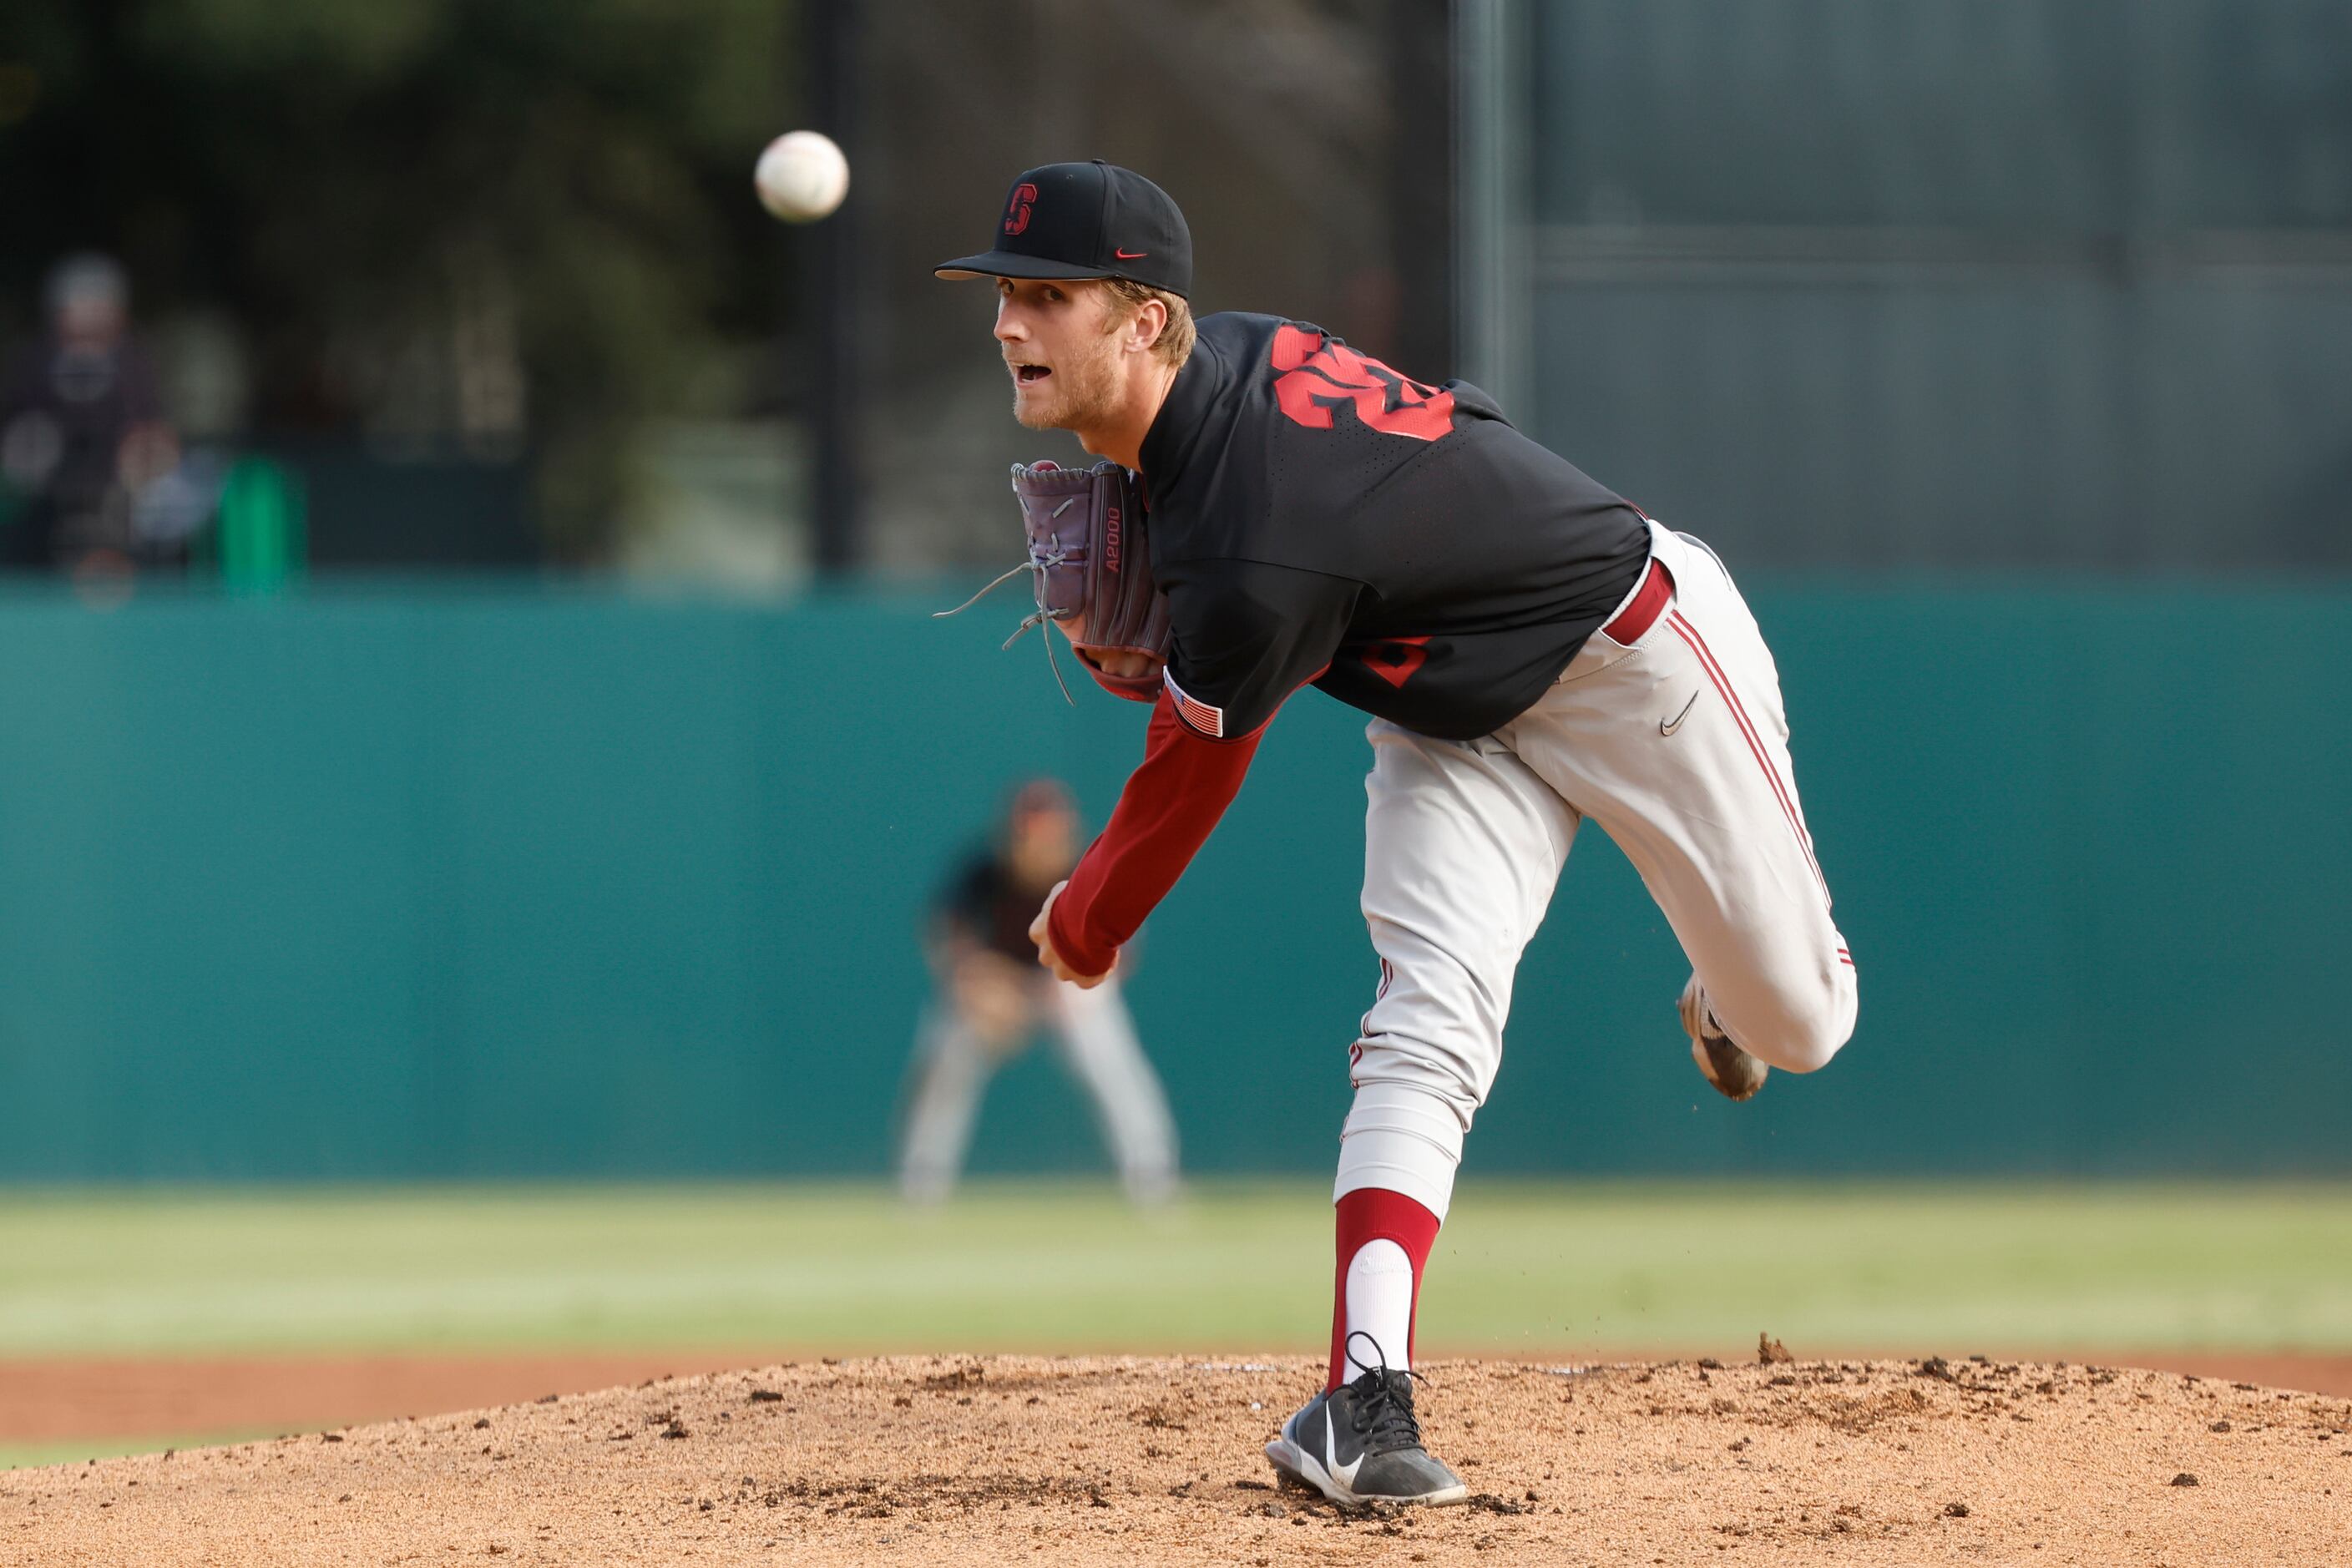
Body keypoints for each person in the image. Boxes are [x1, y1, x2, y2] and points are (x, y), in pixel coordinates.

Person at [935, 162, 1859, 1505]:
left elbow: (1195, 767)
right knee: (1425, 1021)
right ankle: (1362, 1402)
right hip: (1448, 710)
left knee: (1799, 1027)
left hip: (1633, 657)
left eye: (1048, 297)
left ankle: (1725, 986)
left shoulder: (1255, 548)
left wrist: (1083, 922)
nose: (1012, 324)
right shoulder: (1216, 375)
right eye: (1005, 295)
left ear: (1142, 320)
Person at [899, 776, 1180, 1206]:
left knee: (1108, 1055)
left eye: (1050, 832)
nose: (1041, 844)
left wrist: (1077, 986)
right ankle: (921, 1186)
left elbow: (1126, 950)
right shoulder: (983, 871)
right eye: (1031, 834)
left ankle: (1153, 1180)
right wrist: (976, 982)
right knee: (946, 1057)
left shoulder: (1089, 867)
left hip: (1069, 985)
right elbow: (946, 940)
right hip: (998, 990)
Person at [0, 255, 178, 572]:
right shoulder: (33, 363)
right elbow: (15, 428)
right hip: (44, 492)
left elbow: (152, 427)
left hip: (122, 491)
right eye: (77, 308)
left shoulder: (135, 365)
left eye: (97, 308)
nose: (87, 319)